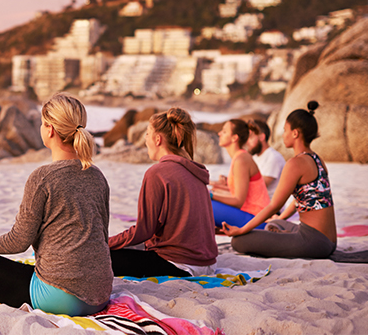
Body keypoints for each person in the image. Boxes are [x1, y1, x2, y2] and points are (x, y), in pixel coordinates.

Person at [0, 93, 112, 317]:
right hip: (101, 295)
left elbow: (17, 242)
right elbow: (102, 235)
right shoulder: (98, 176)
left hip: (62, 298)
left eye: (42, 123)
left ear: (50, 130)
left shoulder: (43, 177)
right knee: (26, 269)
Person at [109, 108, 217, 278]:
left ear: (158, 139)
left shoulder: (157, 173)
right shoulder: (195, 170)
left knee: (100, 257)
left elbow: (144, 231)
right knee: (129, 247)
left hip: (177, 266)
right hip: (207, 264)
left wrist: (105, 243)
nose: (145, 140)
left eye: (147, 133)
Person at [223, 101, 336, 258]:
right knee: (275, 223)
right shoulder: (317, 159)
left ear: (295, 133)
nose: (283, 135)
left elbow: (274, 204)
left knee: (238, 241)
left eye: (285, 130)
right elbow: (302, 200)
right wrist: (281, 217)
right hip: (329, 241)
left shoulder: (295, 163)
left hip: (313, 242)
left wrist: (242, 230)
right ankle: (280, 231)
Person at [208, 119, 270, 229]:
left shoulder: (241, 160)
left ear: (234, 138)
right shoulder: (239, 157)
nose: (219, 133)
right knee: (203, 200)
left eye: (224, 131)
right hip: (248, 214)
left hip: (256, 219)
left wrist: (211, 195)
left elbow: (238, 201)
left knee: (205, 204)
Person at [246, 119, 286, 199]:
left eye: (250, 137)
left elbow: (259, 186)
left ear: (262, 137)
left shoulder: (273, 157)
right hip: (254, 204)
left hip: (268, 208)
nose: (247, 142)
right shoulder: (254, 157)